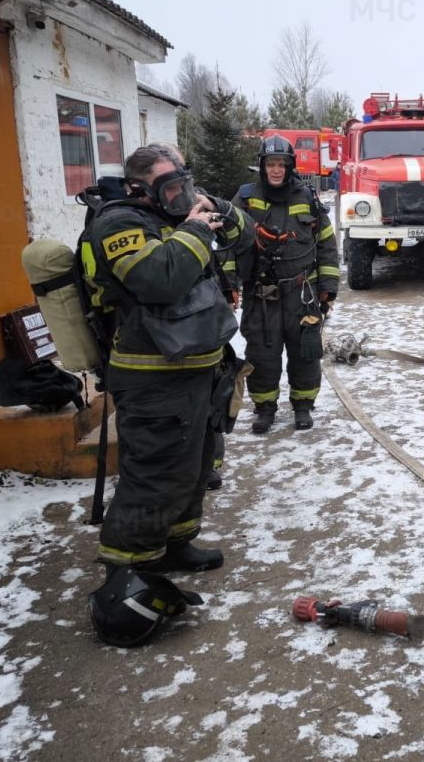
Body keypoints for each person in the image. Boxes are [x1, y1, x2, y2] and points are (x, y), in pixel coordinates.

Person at [85, 143, 247, 635]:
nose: (182, 194)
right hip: (152, 377)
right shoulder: (118, 225)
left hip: (196, 368)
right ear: (141, 188)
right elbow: (158, 280)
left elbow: (241, 234)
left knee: (193, 465)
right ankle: (128, 570)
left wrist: (215, 210)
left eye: (184, 182)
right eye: (170, 186)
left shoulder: (177, 207)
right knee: (154, 473)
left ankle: (174, 544)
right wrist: (196, 229)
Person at [234, 136, 340, 433]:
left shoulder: (307, 198)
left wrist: (328, 288)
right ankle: (264, 408)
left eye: (282, 164)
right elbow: (230, 246)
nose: (276, 170)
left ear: (290, 166)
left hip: (301, 295)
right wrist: (229, 284)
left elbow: (327, 245)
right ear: (262, 166)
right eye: (271, 164)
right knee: (261, 355)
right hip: (261, 296)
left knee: (305, 353)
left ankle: (303, 404)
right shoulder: (245, 198)